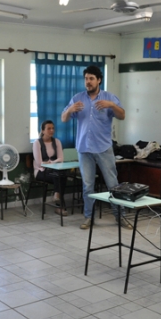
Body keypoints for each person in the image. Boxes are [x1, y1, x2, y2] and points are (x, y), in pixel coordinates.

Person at [61, 65, 130, 230]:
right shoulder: (78, 98)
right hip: (84, 149)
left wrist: (112, 105)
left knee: (113, 184)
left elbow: (122, 115)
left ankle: (120, 217)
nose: (88, 82)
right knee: (87, 186)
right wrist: (70, 109)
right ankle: (88, 217)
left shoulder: (109, 97)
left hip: (104, 148)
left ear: (99, 80)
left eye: (91, 78)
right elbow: (64, 118)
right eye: (86, 79)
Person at [32, 120, 68, 216]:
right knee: (59, 176)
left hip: (54, 170)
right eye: (49, 128)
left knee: (62, 175)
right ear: (43, 131)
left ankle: (57, 198)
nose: (51, 130)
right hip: (40, 171)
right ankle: (59, 205)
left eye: (53, 128)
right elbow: (39, 163)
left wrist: (51, 162)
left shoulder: (57, 142)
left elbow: (61, 159)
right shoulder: (37, 143)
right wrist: (49, 163)